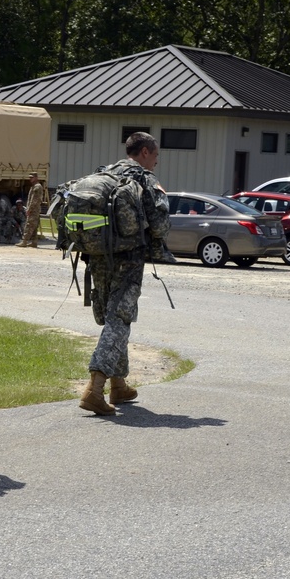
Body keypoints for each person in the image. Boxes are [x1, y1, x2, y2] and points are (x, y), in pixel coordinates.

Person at [80, 131, 172, 416]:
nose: (156, 161)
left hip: (98, 256)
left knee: (112, 316)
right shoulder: (145, 179)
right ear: (144, 152)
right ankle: (95, 387)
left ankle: (119, 385)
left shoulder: (104, 174)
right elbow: (159, 226)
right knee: (119, 317)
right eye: (155, 155)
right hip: (128, 259)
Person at [16, 172, 44, 248]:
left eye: (32, 177)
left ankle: (24, 241)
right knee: (34, 226)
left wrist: (29, 209)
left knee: (29, 225)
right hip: (35, 209)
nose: (30, 179)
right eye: (30, 177)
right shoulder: (35, 186)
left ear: (36, 178)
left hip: (34, 210)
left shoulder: (37, 187)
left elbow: (34, 200)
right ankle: (34, 242)